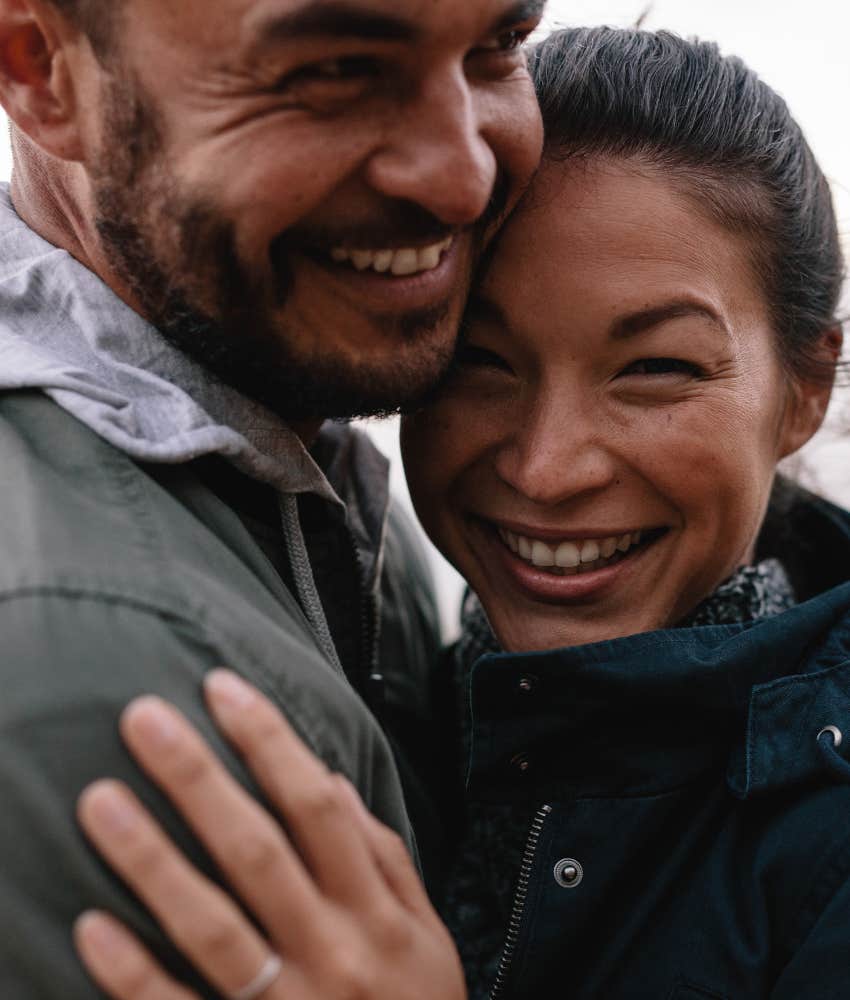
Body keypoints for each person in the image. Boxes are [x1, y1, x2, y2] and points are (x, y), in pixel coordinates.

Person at [73, 25, 850, 1000]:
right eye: (479, 361)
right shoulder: (412, 698)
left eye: (655, 368)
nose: (546, 468)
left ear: (803, 389)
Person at [0, 0, 548, 995]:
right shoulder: (103, 675)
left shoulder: (293, 452)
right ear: (41, 68)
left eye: (498, 47)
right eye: (337, 69)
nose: (463, 175)